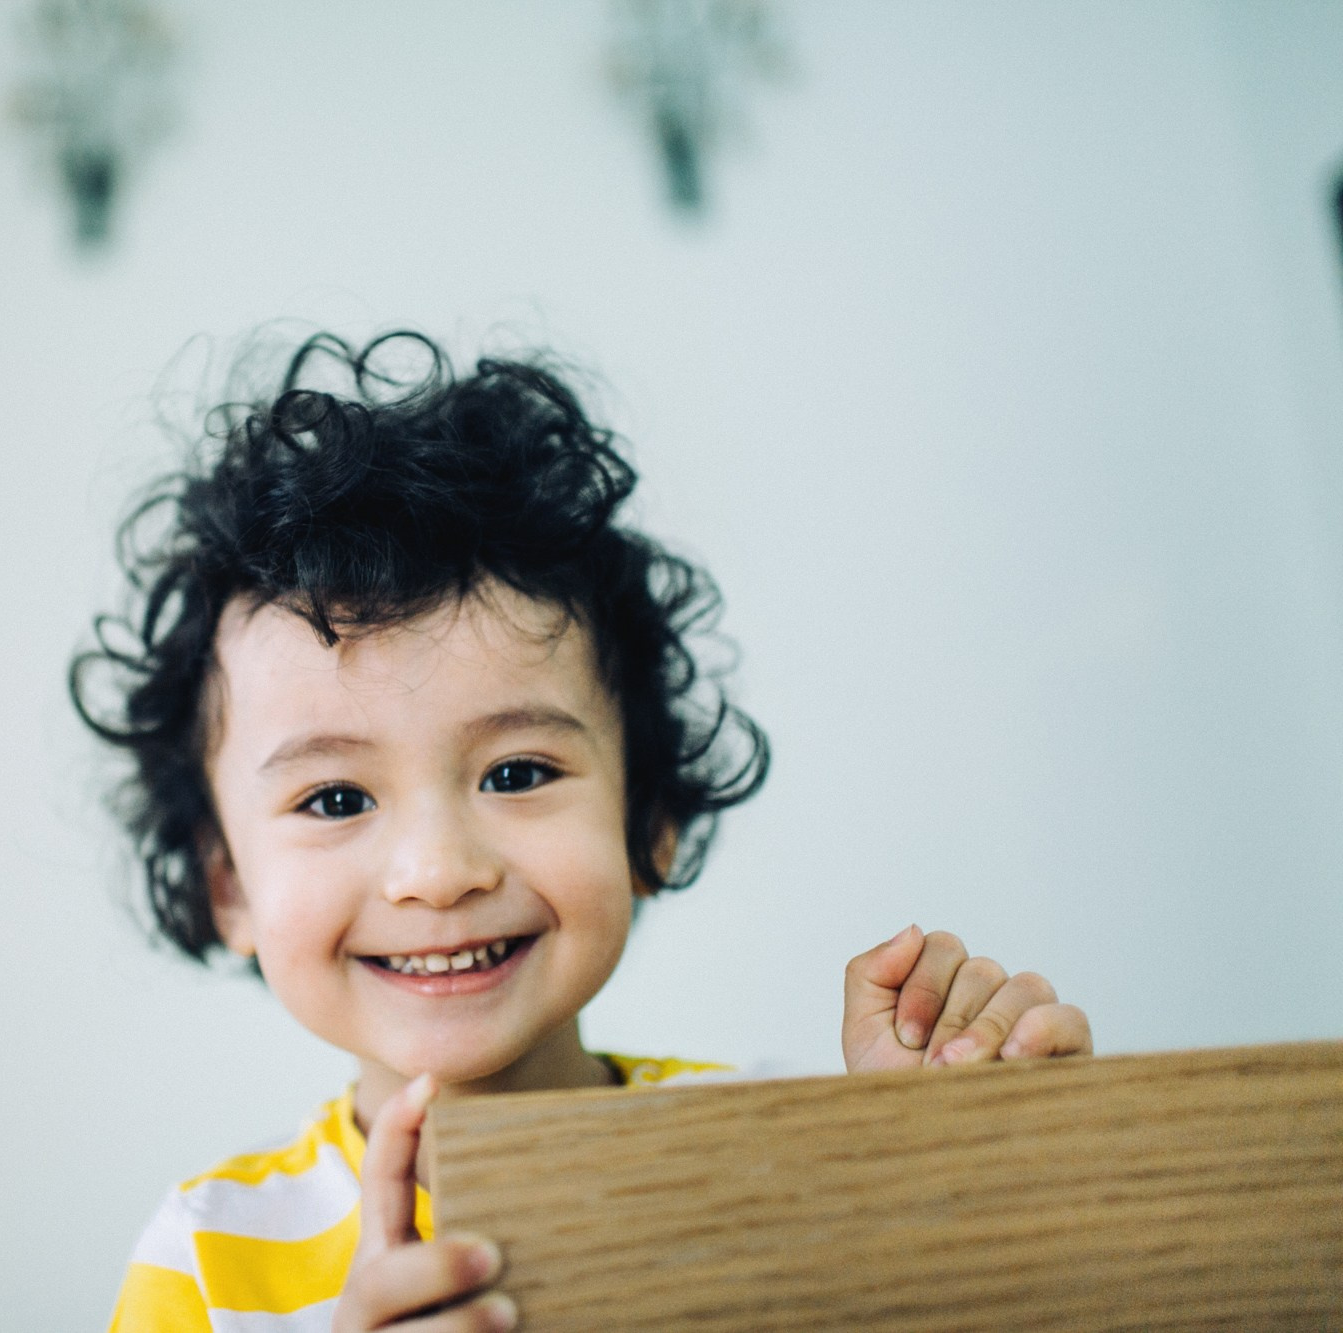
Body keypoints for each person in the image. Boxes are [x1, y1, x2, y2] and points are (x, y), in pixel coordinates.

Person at [74, 331, 1092, 1332]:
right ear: (228, 886)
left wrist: (935, 1185)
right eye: (336, 798)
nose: (438, 872)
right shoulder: (206, 1261)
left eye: (516, 773)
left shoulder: (790, 1160)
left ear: (647, 822)